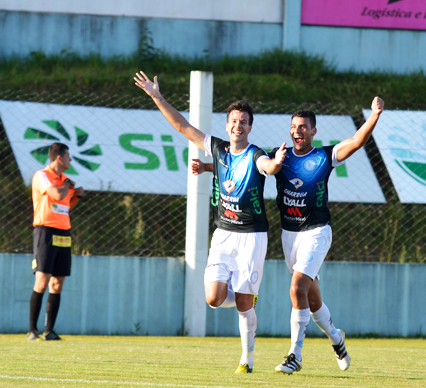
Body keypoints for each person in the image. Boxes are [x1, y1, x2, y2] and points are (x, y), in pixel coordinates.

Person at [192, 96, 384, 374]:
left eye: (304, 127)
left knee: (296, 288)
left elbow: (355, 142)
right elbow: (243, 168)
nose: (298, 131)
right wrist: (209, 167)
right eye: (294, 127)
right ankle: (337, 339)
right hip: (289, 235)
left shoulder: (323, 157)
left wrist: (374, 115)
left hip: (317, 232)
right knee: (312, 300)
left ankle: (295, 355)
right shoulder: (281, 156)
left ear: (313, 132)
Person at [134, 71, 286, 374]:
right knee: (214, 298)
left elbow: (266, 166)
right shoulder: (217, 149)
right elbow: (183, 126)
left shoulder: (256, 154)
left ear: (250, 127)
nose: (237, 126)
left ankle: (247, 358)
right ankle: (247, 298)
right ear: (227, 124)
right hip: (223, 235)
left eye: (243, 122)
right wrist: (156, 96)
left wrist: (277, 163)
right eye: (233, 121)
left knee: (243, 305)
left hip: (252, 236)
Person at [28, 142, 84, 341]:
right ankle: (32, 330)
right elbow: (57, 194)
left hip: (64, 232)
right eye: (68, 156)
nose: (70, 160)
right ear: (59, 158)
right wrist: (68, 185)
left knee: (57, 283)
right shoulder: (42, 175)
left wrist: (76, 196)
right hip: (45, 231)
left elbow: (65, 206)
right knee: (42, 280)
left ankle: (49, 330)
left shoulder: (64, 180)